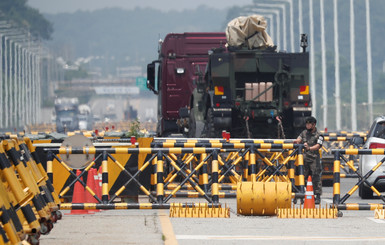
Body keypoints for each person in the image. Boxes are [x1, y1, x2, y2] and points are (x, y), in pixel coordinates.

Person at [294, 116, 324, 204]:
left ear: (314, 125)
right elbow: (299, 139)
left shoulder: (319, 135)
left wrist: (309, 148)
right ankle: (301, 195)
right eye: (306, 124)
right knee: (302, 176)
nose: (307, 126)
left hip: (314, 159)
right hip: (305, 158)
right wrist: (296, 142)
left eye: (309, 124)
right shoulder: (304, 133)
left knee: (316, 177)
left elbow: (318, 146)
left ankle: (317, 196)